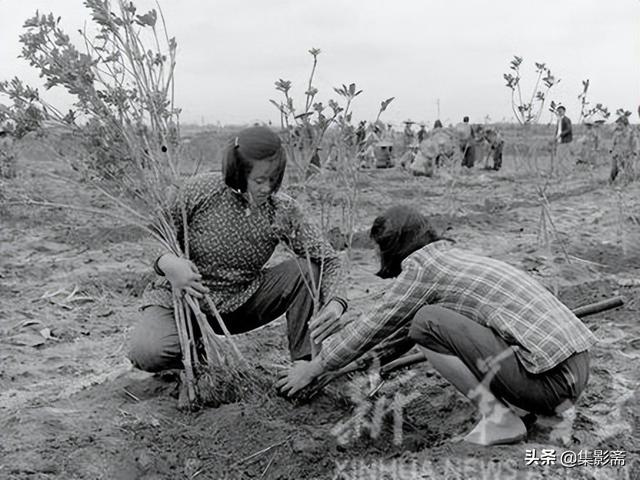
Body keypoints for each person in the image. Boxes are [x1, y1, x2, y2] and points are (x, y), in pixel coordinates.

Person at [278, 205, 597, 446]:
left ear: (392, 248)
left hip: (552, 383)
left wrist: (314, 367)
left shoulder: (421, 269)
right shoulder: (450, 258)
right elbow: (396, 335)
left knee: (426, 321)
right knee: (425, 322)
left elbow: (375, 326)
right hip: (574, 369)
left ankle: (501, 419)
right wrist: (348, 368)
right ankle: (521, 407)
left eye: (378, 249)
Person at [128, 126, 348, 372]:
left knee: (308, 270)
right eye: (259, 180)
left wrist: (337, 302)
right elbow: (155, 232)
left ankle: (304, 364)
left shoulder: (281, 210)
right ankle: (191, 359)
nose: (267, 188)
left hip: (241, 302)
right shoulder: (201, 190)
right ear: (239, 173)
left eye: (274, 180)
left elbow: (330, 259)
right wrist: (169, 264)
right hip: (181, 299)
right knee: (147, 352)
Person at [609, 114, 639, 183]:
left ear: (625, 124)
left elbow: (635, 145)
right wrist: (612, 151)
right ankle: (611, 183)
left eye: (620, 124)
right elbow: (613, 143)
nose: (618, 126)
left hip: (628, 155)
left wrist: (634, 154)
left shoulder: (632, 134)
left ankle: (628, 185)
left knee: (629, 171)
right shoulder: (617, 134)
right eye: (618, 124)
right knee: (614, 170)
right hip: (618, 155)